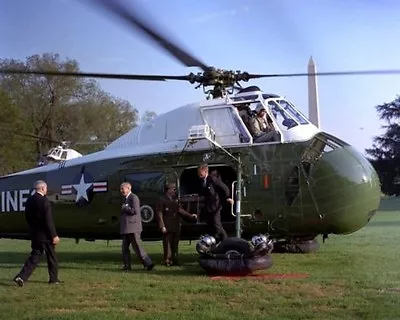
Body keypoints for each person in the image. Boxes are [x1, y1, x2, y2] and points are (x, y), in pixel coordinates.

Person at [13, 180, 61, 286]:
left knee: (35, 256)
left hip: (35, 234)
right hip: (46, 235)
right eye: (46, 188)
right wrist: (54, 235)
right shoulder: (44, 201)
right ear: (43, 188)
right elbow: (48, 220)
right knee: (52, 257)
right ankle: (53, 279)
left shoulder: (29, 200)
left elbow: (27, 217)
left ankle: (21, 276)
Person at [156, 183, 197, 266]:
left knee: (175, 244)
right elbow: (159, 214)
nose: (175, 191)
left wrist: (190, 215)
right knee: (167, 244)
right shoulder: (162, 200)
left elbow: (180, 210)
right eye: (173, 189)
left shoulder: (175, 199)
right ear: (169, 190)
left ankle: (175, 260)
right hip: (167, 225)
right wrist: (162, 226)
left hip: (176, 225)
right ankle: (167, 260)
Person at [119, 182, 154, 271]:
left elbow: (135, 211)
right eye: (121, 189)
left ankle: (148, 264)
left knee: (137, 247)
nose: (121, 191)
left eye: (123, 189)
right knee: (124, 248)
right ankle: (127, 266)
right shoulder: (125, 199)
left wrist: (125, 208)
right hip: (126, 228)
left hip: (133, 227)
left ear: (129, 188)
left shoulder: (133, 198)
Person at [198, 163, 234, 242]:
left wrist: (228, 197)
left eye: (200, 173)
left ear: (205, 171)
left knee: (217, 225)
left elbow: (224, 188)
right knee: (211, 226)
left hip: (215, 206)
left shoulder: (212, 179)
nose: (199, 175)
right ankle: (214, 242)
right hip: (208, 207)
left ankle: (226, 241)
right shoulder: (203, 181)